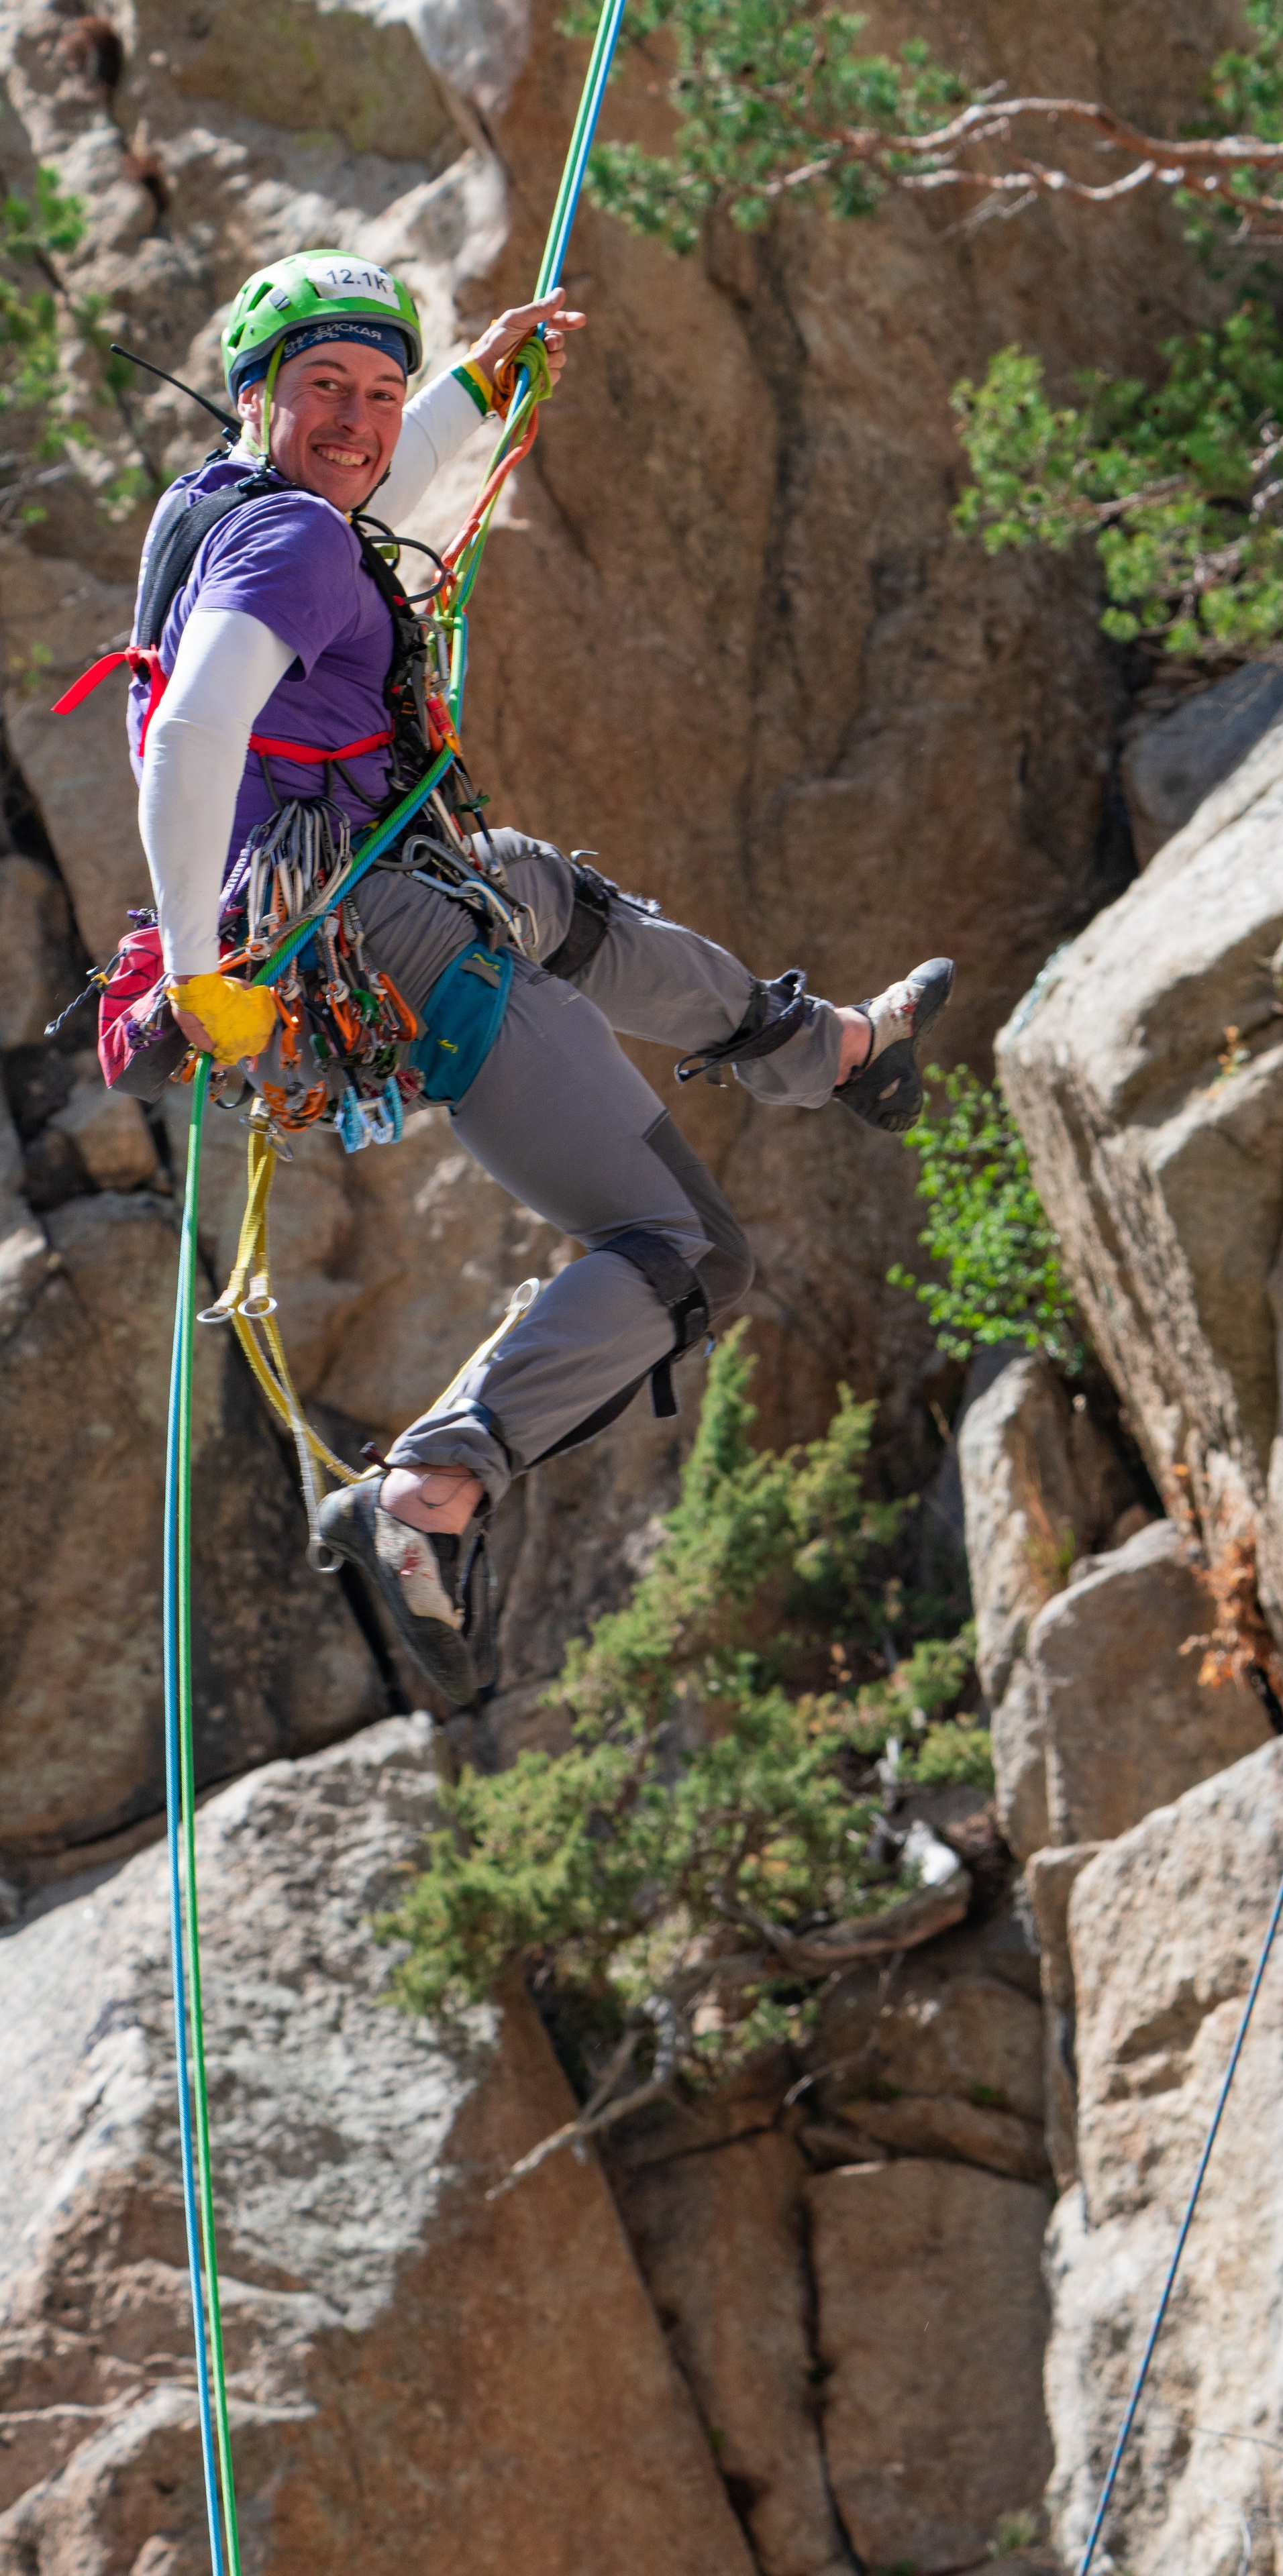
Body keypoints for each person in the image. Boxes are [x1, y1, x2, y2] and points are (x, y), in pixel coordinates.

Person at [127, 251, 954, 1707]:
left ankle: (814, 1050)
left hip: (368, 903)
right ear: (253, 393)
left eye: (379, 392)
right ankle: (435, 1489)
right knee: (688, 1254)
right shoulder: (296, 548)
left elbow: (352, 499)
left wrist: (465, 394)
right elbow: (195, 740)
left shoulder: (226, 509)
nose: (360, 418)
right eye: (325, 386)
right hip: (378, 928)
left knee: (553, 892)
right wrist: (200, 982)